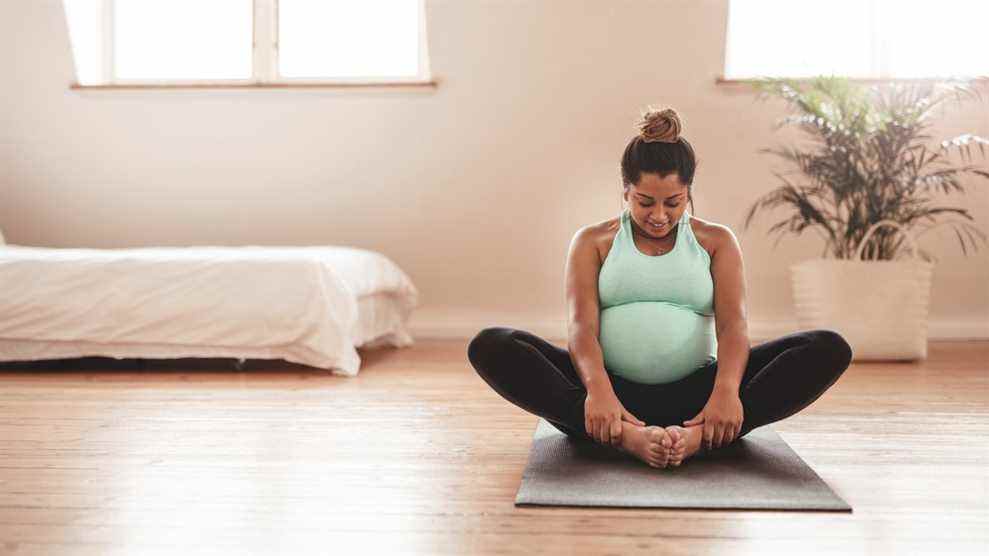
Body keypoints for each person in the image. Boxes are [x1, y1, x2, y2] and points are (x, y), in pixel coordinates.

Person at [467, 106, 853, 469]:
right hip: (608, 393)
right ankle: (626, 435)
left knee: (827, 348)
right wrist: (599, 392)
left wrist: (726, 391)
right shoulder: (592, 241)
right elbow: (581, 328)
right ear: (625, 191)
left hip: (697, 395)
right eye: (644, 201)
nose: (659, 215)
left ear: (689, 192)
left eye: (674, 202)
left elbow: (733, 327)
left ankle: (699, 437)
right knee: (493, 344)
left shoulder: (716, 241)